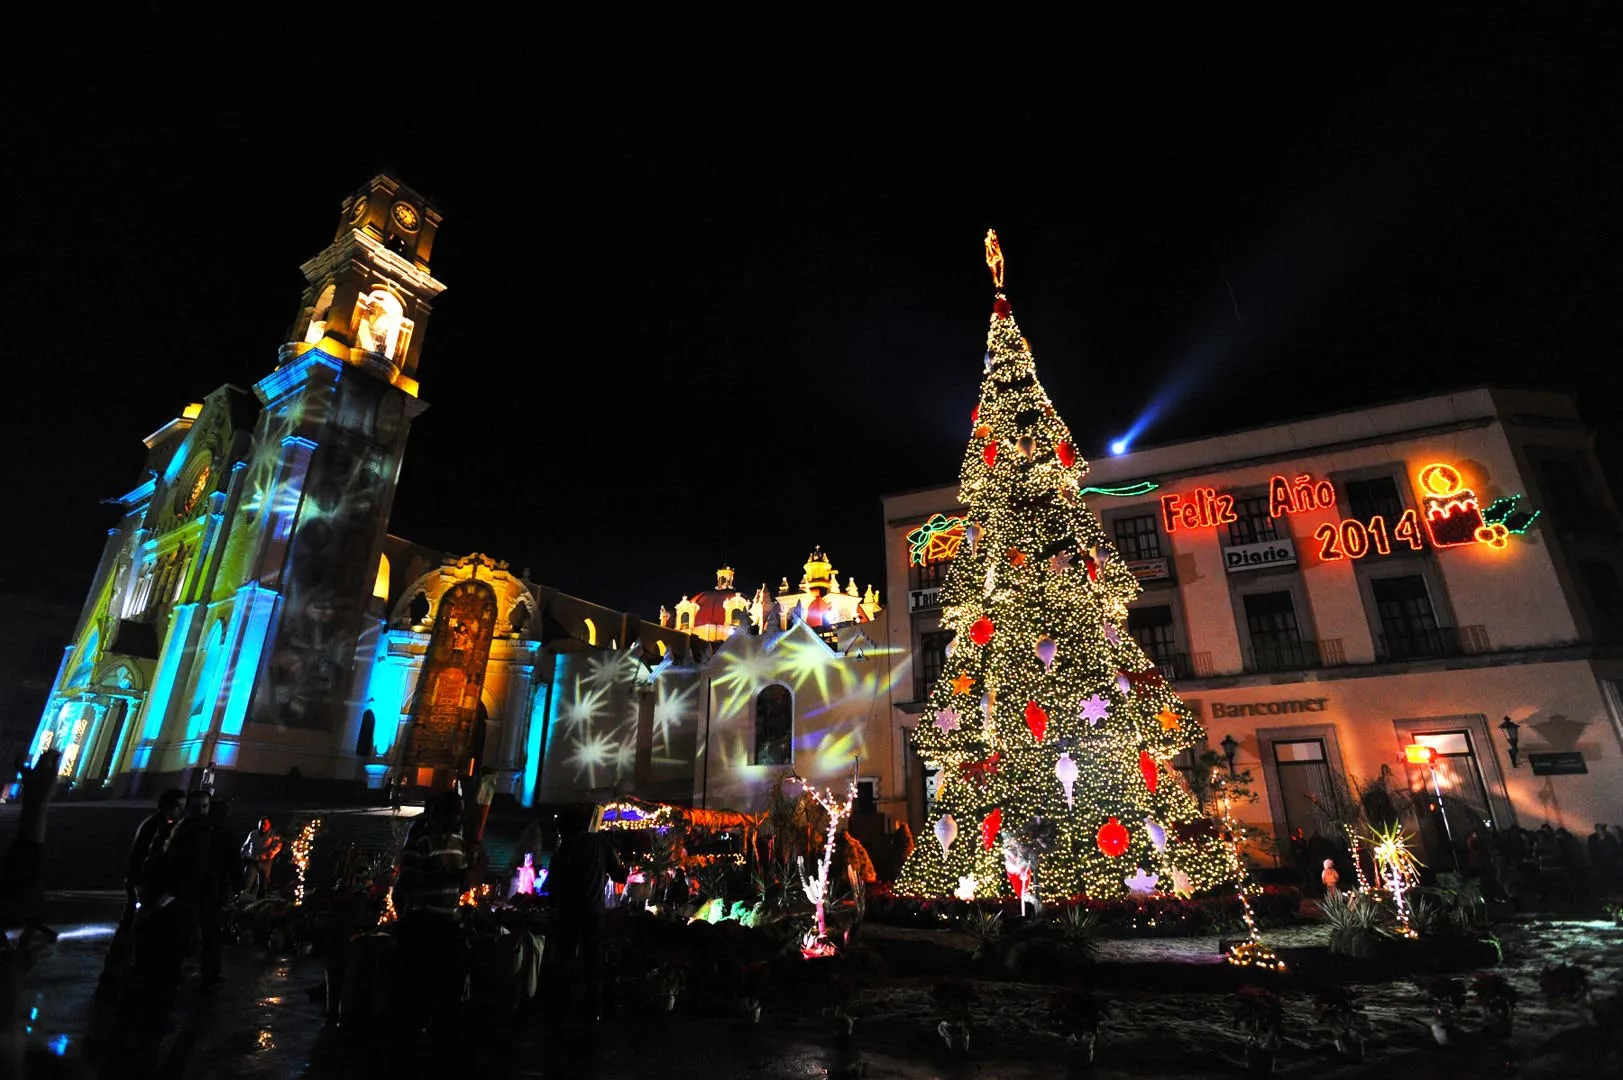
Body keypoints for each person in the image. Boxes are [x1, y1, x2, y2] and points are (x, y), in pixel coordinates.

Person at [393, 791, 473, 1036]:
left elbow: (460, 882)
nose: (460, 817)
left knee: (447, 983)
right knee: (419, 983)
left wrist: (466, 878)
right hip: (422, 923)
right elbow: (407, 879)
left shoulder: (459, 844)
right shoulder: (422, 841)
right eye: (456, 812)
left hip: (447, 923)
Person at [545, 808, 627, 1022]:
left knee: (565, 957)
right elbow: (619, 874)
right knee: (593, 959)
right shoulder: (599, 843)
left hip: (568, 913)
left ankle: (561, 1005)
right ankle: (594, 1007)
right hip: (594, 912)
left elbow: (551, 890)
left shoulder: (562, 852)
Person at [241, 817, 283, 899]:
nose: (262, 826)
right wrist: (244, 854)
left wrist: (273, 852)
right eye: (261, 824)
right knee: (247, 881)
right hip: (253, 860)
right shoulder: (253, 833)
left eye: (265, 824)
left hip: (265, 862)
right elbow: (245, 846)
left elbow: (278, 845)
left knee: (262, 884)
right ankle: (242, 899)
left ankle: (260, 900)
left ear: (269, 825)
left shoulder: (272, 835)